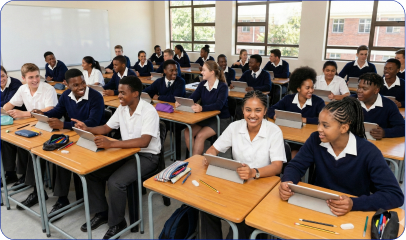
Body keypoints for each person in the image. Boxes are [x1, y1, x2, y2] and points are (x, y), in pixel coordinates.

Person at [279, 97, 404, 215]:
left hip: (350, 212)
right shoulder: (315, 140)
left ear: (344, 128)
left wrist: (354, 203)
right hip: (318, 204)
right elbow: (296, 166)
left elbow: (395, 195)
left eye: (325, 125)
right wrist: (287, 182)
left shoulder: (369, 152)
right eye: (319, 123)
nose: (319, 129)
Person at [73, 76, 161, 239]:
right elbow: (107, 127)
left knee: (116, 182)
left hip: (147, 156)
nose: (119, 96)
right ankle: (102, 213)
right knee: (92, 173)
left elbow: (144, 141)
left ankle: (117, 222)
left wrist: (111, 144)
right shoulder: (122, 108)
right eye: (119, 92)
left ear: (135, 93)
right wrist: (88, 128)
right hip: (126, 152)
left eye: (122, 93)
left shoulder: (149, 111)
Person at [201, 91, 286, 239]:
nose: (252, 115)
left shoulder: (274, 131)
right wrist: (210, 155)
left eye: (258, 110)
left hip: (262, 186)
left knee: (240, 225)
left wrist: (254, 172)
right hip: (237, 183)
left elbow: (277, 166)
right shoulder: (235, 127)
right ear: (243, 110)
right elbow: (214, 148)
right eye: (248, 110)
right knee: (206, 208)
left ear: (265, 111)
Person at [31, 69, 105, 217]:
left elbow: (92, 122)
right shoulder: (66, 95)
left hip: (93, 137)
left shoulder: (96, 96)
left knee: (67, 156)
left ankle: (97, 209)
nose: (81, 87)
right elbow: (58, 111)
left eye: (82, 82)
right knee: (59, 157)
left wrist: (63, 125)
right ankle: (62, 199)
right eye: (75, 85)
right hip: (74, 136)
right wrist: (42, 113)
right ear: (67, 85)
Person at [2, 63, 58, 209]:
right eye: (31, 77)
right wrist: (3, 111)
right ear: (23, 78)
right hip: (32, 125)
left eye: (37, 76)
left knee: (33, 149)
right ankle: (23, 178)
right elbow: (10, 104)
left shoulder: (48, 89)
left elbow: (50, 110)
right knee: (15, 141)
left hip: (51, 127)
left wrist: (25, 114)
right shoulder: (22, 88)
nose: (35, 80)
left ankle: (37, 191)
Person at [268, 66, 325, 158]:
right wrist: (274, 115)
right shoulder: (288, 99)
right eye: (307, 88)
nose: (311, 90)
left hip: (307, 140)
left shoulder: (318, 102)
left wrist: (304, 119)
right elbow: (270, 110)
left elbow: (325, 120)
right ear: (298, 88)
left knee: (296, 154)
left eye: (312, 87)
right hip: (290, 136)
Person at [176, 61, 230, 156]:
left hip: (221, 119)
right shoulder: (202, 84)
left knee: (200, 136)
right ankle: (195, 159)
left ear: (212, 72)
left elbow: (219, 105)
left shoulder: (223, 87)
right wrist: (182, 102)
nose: (201, 72)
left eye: (204, 70)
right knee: (187, 132)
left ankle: (194, 161)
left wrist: (202, 108)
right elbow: (193, 98)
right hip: (206, 117)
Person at [350, 72, 404, 139]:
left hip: (380, 145)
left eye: (364, 89)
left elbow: (402, 128)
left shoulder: (389, 105)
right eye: (359, 87)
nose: (359, 91)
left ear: (376, 90)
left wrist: (385, 132)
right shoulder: (350, 101)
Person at [1, 66, 23, 187]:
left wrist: (3, 106)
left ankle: (19, 174)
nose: (1, 79)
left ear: (6, 74)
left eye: (2, 76)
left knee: (13, 140)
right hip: (6, 119)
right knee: (4, 140)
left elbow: (9, 103)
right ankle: (10, 173)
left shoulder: (16, 84)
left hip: (20, 118)